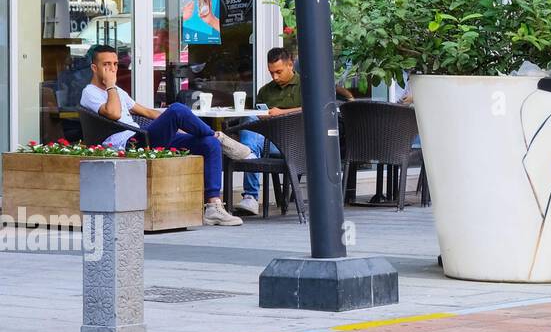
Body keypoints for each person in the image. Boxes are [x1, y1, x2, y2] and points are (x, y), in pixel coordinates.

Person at [79, 45, 249, 227]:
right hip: (129, 145)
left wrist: (182, 127)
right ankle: (220, 137)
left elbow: (147, 112)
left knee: (208, 143)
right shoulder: (89, 92)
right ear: (94, 68)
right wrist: (111, 85)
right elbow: (112, 113)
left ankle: (213, 207)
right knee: (177, 109)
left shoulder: (118, 92)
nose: (112, 69)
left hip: (144, 137)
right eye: (106, 65)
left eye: (115, 64)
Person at [235, 48, 354, 214]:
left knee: (248, 147)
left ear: (290, 65)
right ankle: (250, 193)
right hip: (271, 142)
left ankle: (250, 192)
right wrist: (263, 117)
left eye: (278, 71)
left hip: (298, 143)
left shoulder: (307, 85)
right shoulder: (265, 91)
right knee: (249, 121)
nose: (275, 77)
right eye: (271, 73)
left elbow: (317, 109)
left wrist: (281, 113)